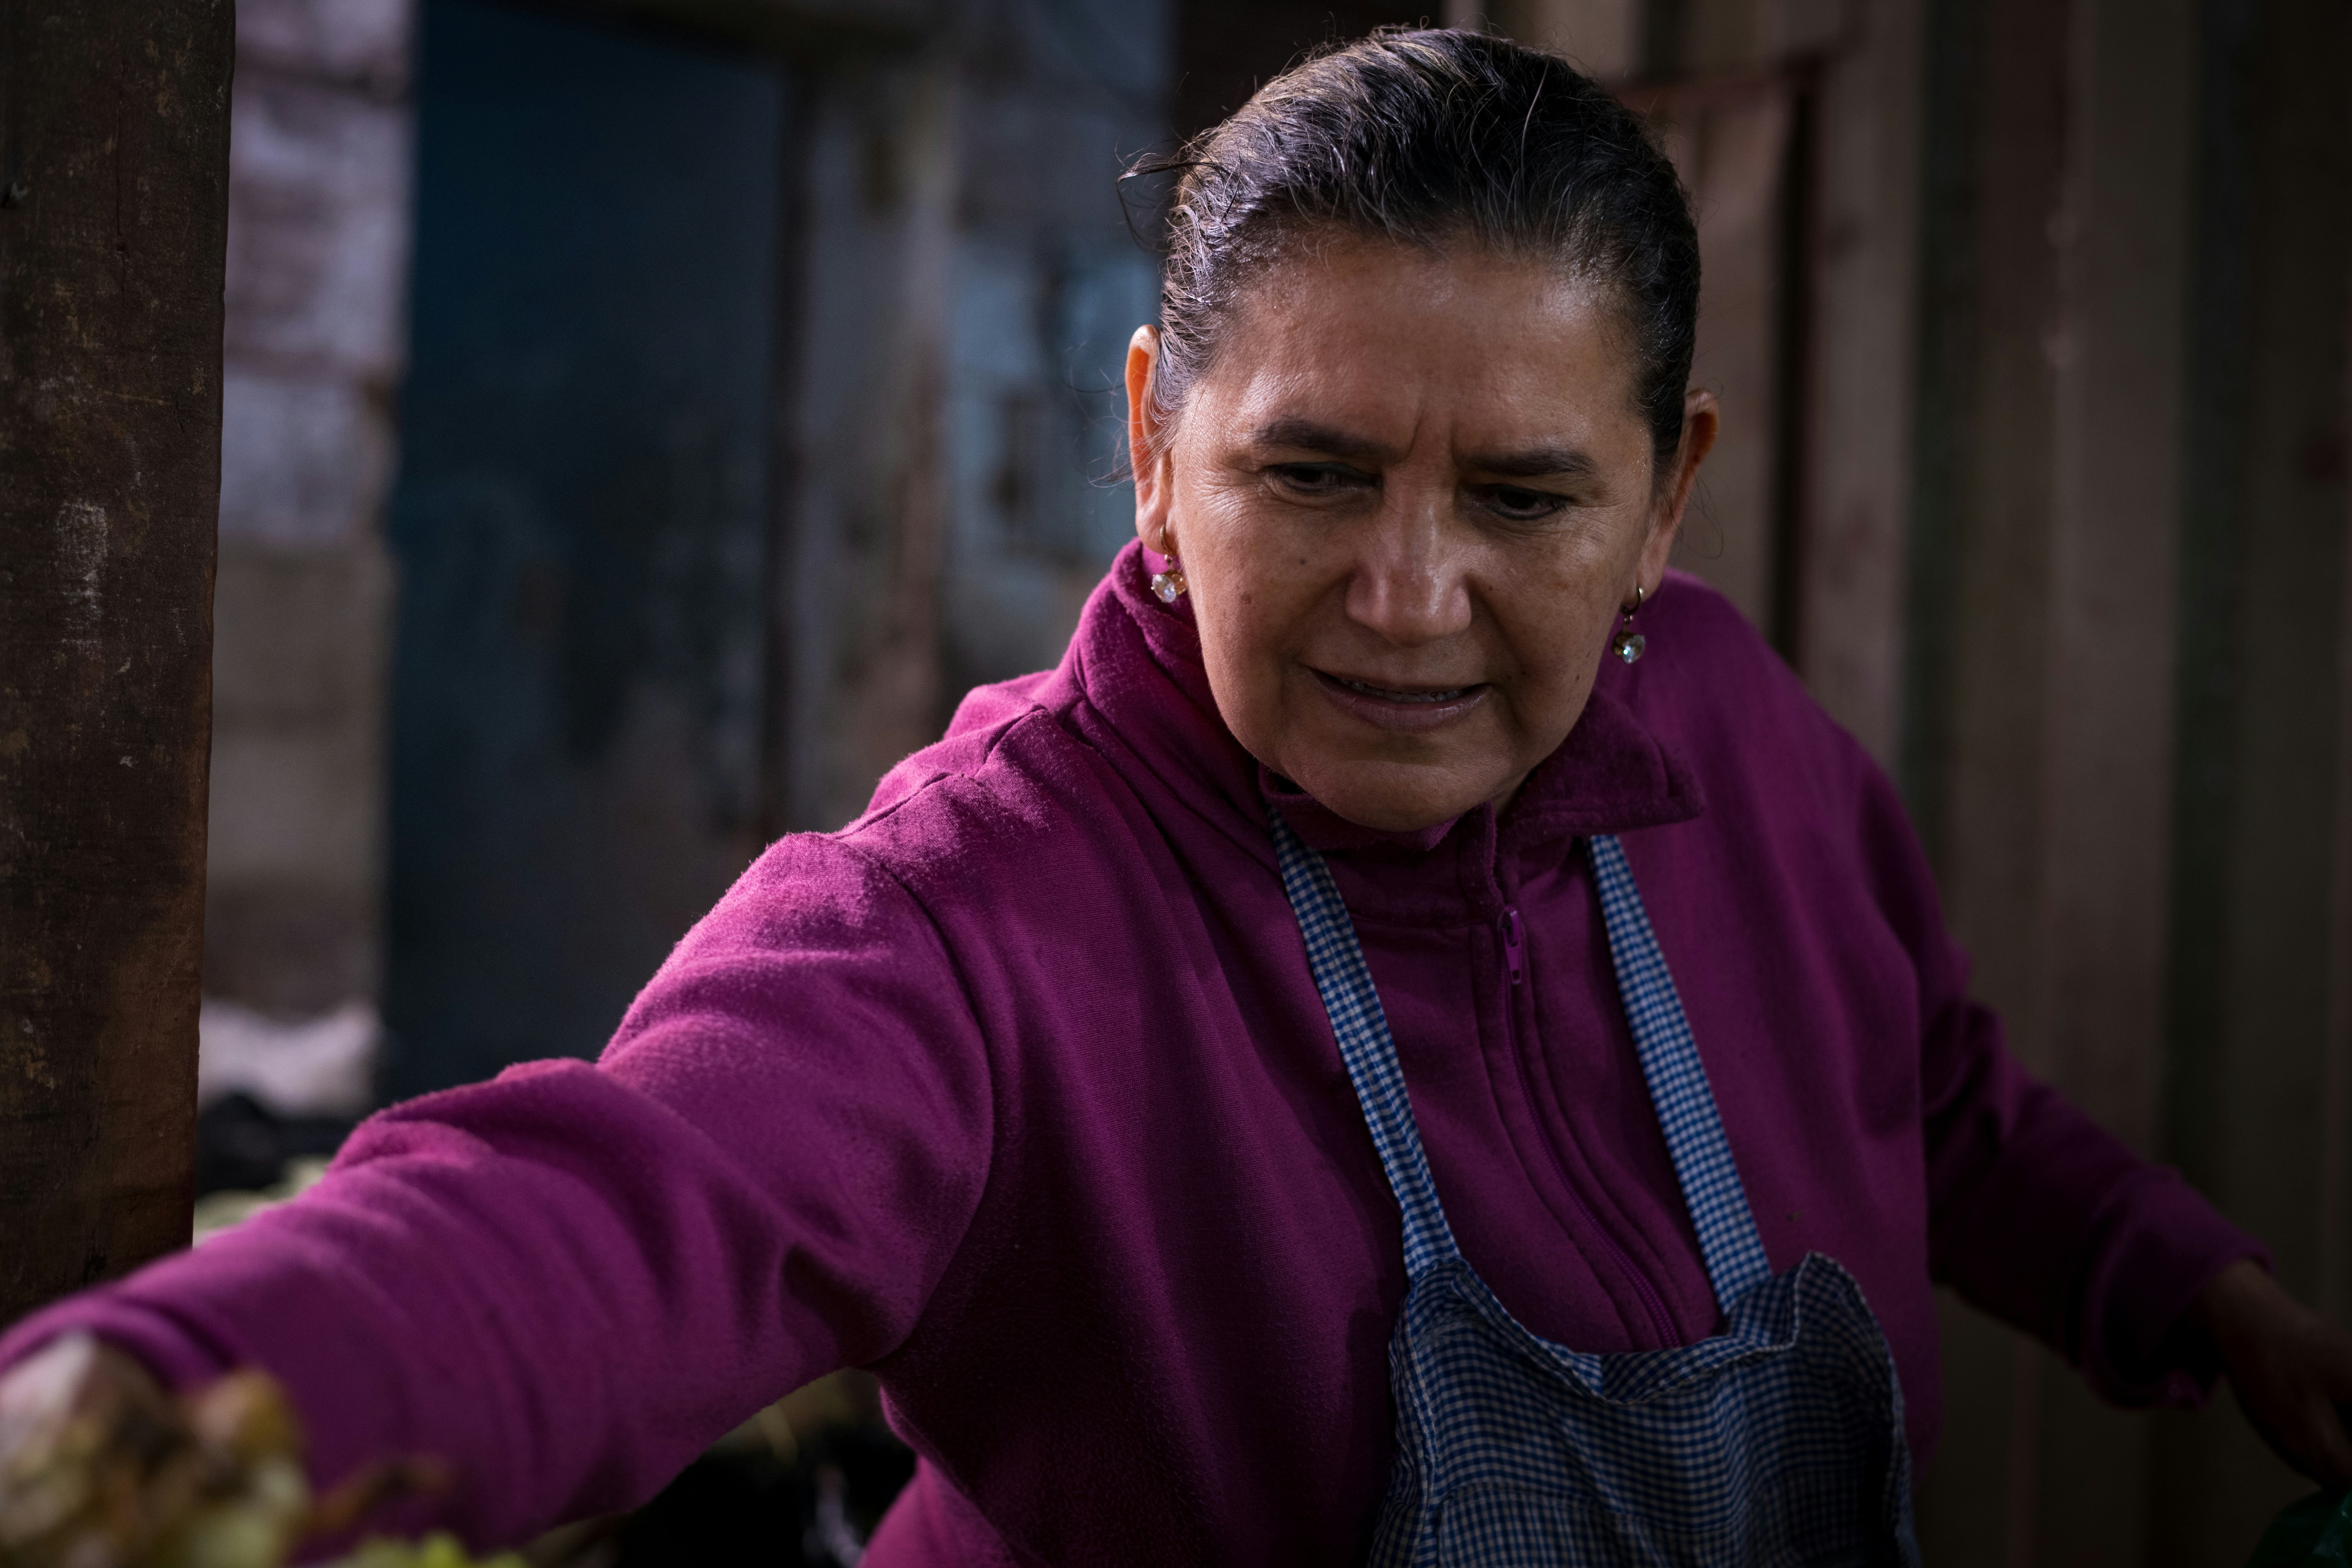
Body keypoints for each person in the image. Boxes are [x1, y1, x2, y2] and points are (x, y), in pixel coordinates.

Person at [4, 27, 2349, 1568]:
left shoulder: (1736, 740)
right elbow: (621, 1213)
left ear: (1667, 501)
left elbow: (1933, 1102)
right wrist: (151, 1412)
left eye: (1525, 499)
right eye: (1309, 474)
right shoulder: (978, 915)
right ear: (1151, 444)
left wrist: (2207, 1297)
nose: (1406, 599)